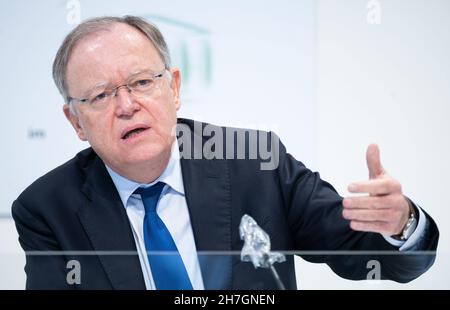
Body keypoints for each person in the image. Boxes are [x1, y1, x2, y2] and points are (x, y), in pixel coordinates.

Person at [12, 16, 439, 290]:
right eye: (101, 95)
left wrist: (400, 224)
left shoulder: (256, 162)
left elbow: (374, 258)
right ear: (75, 123)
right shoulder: (48, 208)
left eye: (142, 83)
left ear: (173, 88)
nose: (126, 106)